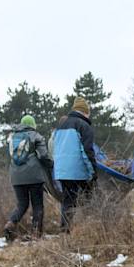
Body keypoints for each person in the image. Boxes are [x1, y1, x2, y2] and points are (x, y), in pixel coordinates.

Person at [51, 97, 97, 232]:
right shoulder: (83, 126)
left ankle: (65, 231)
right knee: (89, 198)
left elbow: (54, 148)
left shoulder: (60, 126)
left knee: (68, 201)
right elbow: (87, 151)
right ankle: (91, 228)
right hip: (77, 171)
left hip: (61, 171)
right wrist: (93, 172)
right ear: (85, 111)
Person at [3, 115, 51, 240]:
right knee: (37, 205)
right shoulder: (36, 136)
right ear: (33, 124)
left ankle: (10, 223)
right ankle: (36, 234)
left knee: (22, 204)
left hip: (16, 176)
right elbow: (44, 156)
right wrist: (51, 166)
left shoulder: (12, 137)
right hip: (34, 176)